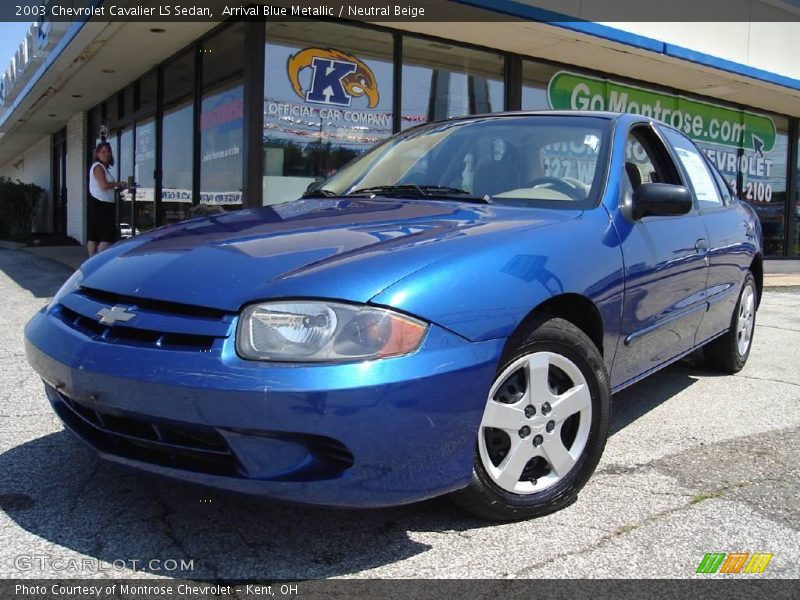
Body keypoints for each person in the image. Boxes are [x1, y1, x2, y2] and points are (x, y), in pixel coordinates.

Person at [87, 142, 126, 256]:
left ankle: (90, 262)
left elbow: (106, 186)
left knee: (94, 235)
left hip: (99, 204)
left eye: (108, 151)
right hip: (101, 205)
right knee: (107, 236)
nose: (107, 154)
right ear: (97, 154)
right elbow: (103, 185)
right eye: (103, 152)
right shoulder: (98, 167)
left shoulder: (103, 168)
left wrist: (117, 187)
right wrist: (118, 183)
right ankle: (97, 263)